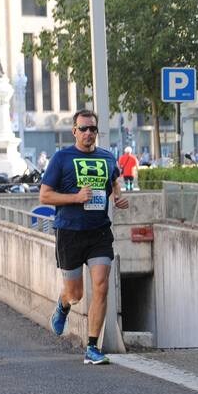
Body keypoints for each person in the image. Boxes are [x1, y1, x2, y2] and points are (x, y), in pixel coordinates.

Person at [40, 109, 129, 364]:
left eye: (92, 129)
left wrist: (118, 197)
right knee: (76, 293)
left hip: (99, 231)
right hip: (69, 232)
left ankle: (92, 347)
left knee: (101, 285)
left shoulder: (107, 157)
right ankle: (63, 305)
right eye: (83, 129)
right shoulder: (61, 158)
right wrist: (75, 198)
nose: (89, 133)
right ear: (74, 132)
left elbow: (113, 183)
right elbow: (45, 196)